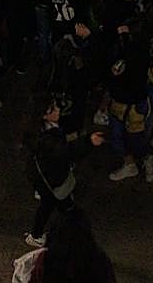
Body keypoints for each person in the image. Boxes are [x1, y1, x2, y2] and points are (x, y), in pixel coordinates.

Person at [23, 96, 104, 248]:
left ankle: (37, 234)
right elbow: (67, 152)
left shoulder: (38, 132)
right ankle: (69, 231)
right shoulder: (49, 139)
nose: (58, 110)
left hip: (44, 177)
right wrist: (88, 141)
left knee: (48, 205)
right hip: (52, 180)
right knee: (61, 206)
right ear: (44, 115)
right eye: (53, 109)